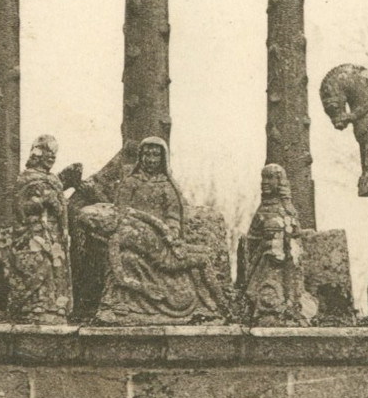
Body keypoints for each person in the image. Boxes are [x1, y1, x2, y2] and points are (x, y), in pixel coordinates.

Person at [83, 137, 226, 324]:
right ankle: (119, 306)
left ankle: (209, 305)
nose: (151, 159)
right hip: (137, 243)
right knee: (127, 259)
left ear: (162, 158)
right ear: (140, 156)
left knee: (193, 259)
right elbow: (121, 211)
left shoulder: (167, 186)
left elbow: (173, 214)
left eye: (155, 155)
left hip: (162, 240)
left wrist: (172, 230)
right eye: (147, 154)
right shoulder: (130, 183)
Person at [10, 135, 72, 322]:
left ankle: (56, 305)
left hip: (54, 232)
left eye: (54, 153)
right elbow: (20, 206)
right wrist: (40, 202)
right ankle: (35, 304)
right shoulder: (26, 177)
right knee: (39, 263)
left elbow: (61, 208)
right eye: (47, 152)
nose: (51, 157)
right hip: (33, 230)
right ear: (37, 153)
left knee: (56, 265)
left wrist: (57, 207)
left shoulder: (54, 179)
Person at [242, 164, 310, 325]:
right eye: (263, 178)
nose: (264, 182)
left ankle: (291, 308)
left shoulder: (288, 210)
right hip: (266, 266)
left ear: (280, 182)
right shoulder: (262, 211)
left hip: (289, 267)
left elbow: (296, 234)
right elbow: (252, 241)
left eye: (270, 177)